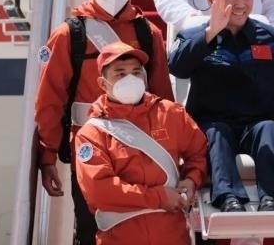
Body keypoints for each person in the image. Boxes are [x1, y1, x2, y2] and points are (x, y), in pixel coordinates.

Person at [34, 0, 174, 245]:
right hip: (91, 152)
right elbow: (49, 101)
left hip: (142, 151)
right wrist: (47, 157)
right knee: (92, 230)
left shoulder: (148, 33)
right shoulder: (68, 35)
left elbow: (164, 100)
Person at [168, 0, 274, 213]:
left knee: (269, 129)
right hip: (212, 126)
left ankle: (272, 200)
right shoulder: (194, 36)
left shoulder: (272, 38)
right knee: (216, 133)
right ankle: (228, 198)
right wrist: (211, 32)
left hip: (256, 126)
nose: (241, 4)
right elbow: (177, 67)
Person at [74, 41, 207, 245]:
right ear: (102, 84)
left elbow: (199, 152)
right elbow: (100, 190)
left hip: (173, 236)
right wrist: (159, 197)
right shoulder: (91, 134)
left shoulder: (171, 114)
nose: (131, 79)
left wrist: (192, 179)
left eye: (136, 72)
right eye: (120, 74)